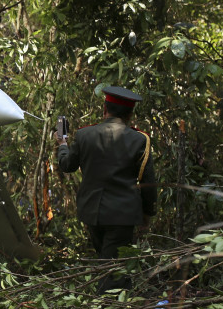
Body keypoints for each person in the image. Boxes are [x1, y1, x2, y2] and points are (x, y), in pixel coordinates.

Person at [56, 86, 157, 293]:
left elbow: (67, 165)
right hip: (122, 214)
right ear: (130, 114)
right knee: (112, 268)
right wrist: (148, 214)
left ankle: (109, 307)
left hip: (92, 211)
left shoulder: (84, 135)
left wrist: (62, 144)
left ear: (105, 109)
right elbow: (148, 182)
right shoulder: (139, 139)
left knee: (107, 261)